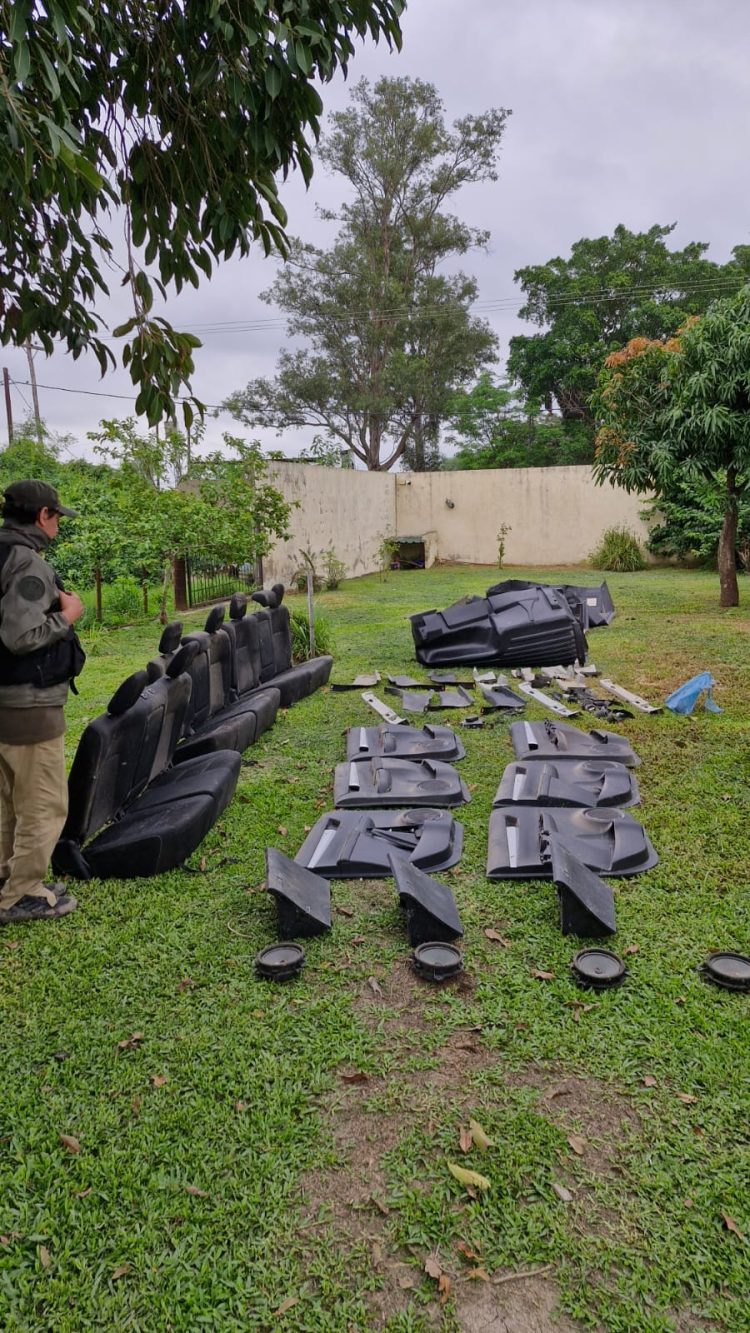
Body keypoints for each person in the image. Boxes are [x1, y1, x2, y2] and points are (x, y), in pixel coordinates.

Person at [0, 480, 85, 924]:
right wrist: (67, 616)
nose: (57, 524)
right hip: (26, 705)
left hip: (5, 704)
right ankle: (22, 893)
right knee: (42, 802)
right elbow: (20, 636)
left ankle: (7, 879)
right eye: (56, 517)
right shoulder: (27, 565)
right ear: (42, 517)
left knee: (10, 800)